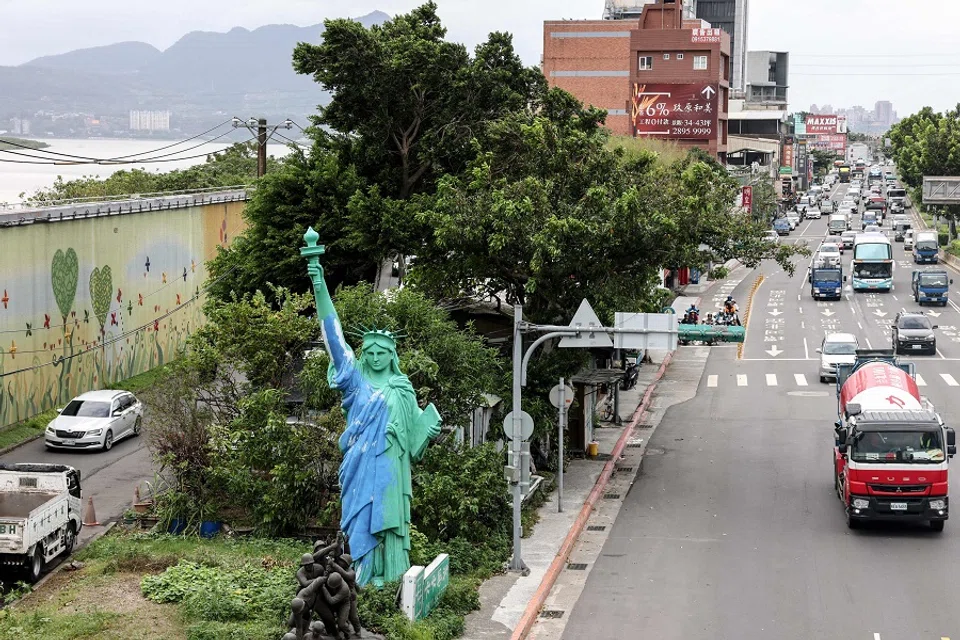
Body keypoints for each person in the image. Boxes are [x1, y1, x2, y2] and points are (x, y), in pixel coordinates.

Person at [306, 233, 442, 588]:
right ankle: (361, 581)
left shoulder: (402, 388)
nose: (377, 356)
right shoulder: (355, 382)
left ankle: (391, 581)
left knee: (390, 521)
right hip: (360, 465)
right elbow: (334, 339)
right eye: (371, 351)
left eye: (384, 351)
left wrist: (427, 431)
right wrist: (318, 281)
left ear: (392, 355)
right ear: (364, 353)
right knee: (358, 520)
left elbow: (415, 446)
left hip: (393, 473)